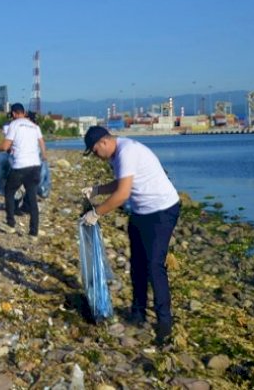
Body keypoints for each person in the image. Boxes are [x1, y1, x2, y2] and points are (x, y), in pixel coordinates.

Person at [81, 126, 180, 345]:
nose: (96, 157)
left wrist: (96, 213)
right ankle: (138, 313)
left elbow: (122, 195)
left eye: (95, 151)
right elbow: (123, 182)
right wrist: (97, 190)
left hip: (162, 210)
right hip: (141, 211)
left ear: (104, 142)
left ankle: (165, 324)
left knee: (154, 266)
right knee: (137, 264)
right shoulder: (117, 155)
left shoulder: (126, 151)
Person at [0, 103, 47, 237]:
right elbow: (41, 142)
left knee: (9, 191)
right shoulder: (34, 126)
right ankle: (33, 233)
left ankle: (11, 224)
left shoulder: (14, 124)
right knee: (32, 197)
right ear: (24, 112)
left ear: (13, 113)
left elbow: (6, 146)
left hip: (20, 166)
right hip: (35, 165)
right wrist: (44, 155)